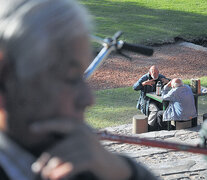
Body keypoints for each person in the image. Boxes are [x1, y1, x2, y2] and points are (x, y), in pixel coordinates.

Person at [0, 0, 159, 179]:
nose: (88, 99)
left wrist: (121, 170)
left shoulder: (78, 163)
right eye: (70, 78)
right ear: (5, 78)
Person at [133, 65, 170, 131]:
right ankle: (150, 127)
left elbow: (174, 82)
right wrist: (144, 83)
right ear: (150, 73)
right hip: (147, 101)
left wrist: (168, 81)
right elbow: (135, 87)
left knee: (166, 107)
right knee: (155, 110)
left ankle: (163, 126)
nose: (156, 75)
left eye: (157, 72)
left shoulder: (160, 77)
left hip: (158, 100)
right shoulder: (145, 77)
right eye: (154, 73)